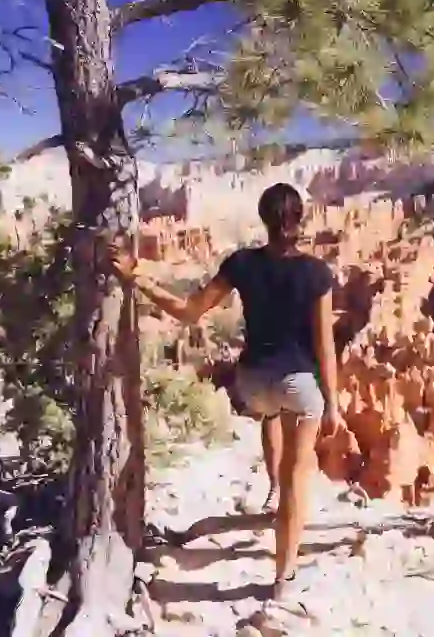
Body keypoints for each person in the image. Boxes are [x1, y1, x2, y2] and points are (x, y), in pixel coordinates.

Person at [108, 182, 344, 600]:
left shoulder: (241, 264)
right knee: (298, 477)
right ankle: (283, 579)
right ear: (299, 221)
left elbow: (189, 311)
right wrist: (334, 405)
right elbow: (325, 345)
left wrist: (137, 276)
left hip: (251, 383)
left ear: (264, 219)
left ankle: (271, 488)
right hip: (298, 384)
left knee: (271, 413)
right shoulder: (317, 273)